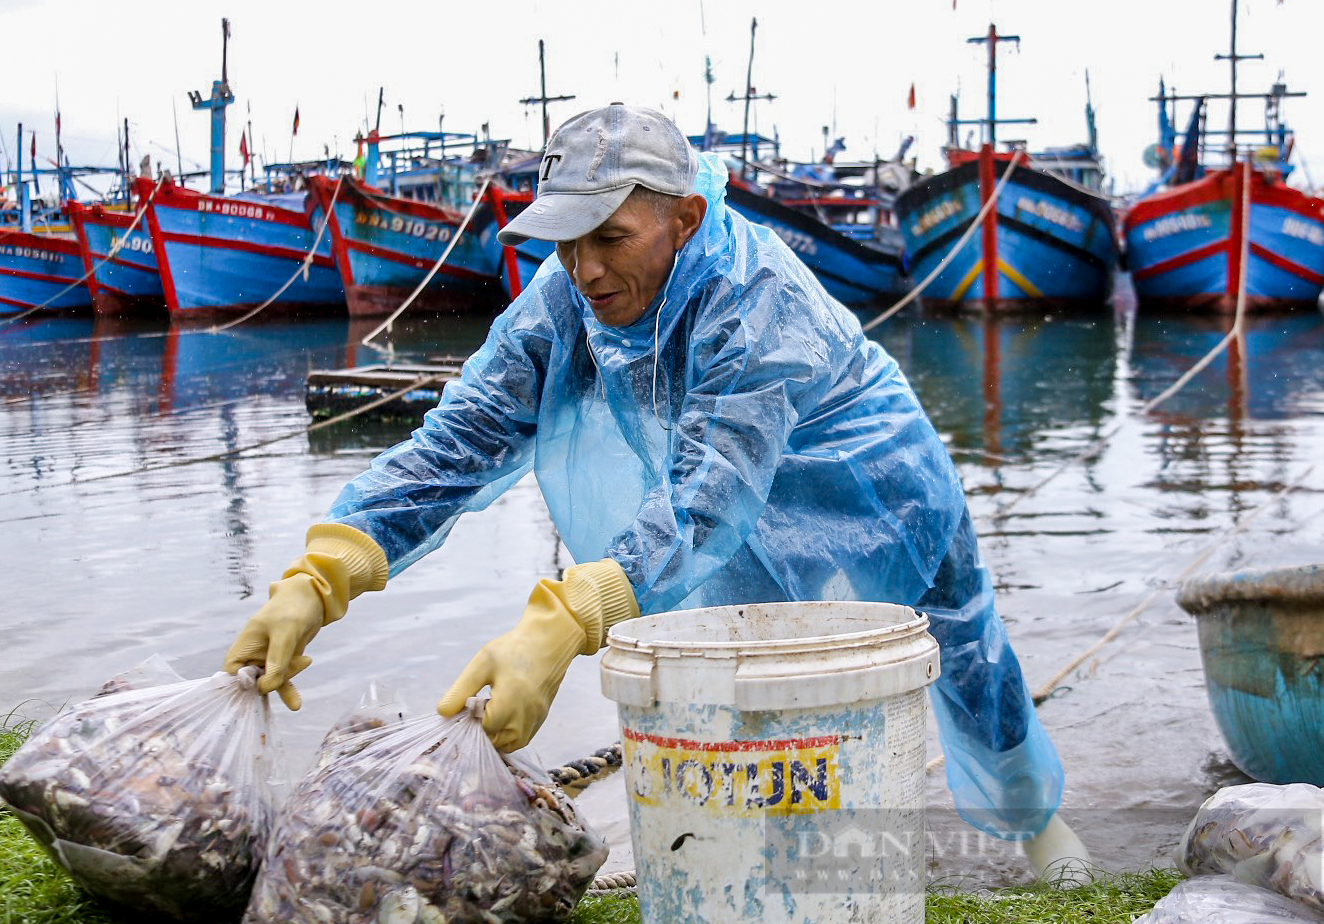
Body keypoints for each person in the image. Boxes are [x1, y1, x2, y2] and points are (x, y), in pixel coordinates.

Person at [223, 104, 1090, 880]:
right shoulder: (564, 301)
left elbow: (707, 496)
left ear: (684, 218)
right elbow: (462, 436)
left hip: (875, 483)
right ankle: (786, 862)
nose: (586, 267)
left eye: (610, 238)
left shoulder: (749, 294)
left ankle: (1033, 820)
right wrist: (325, 569)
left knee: (965, 649)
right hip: (739, 511)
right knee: (754, 684)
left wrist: (566, 619)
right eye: (567, 240)